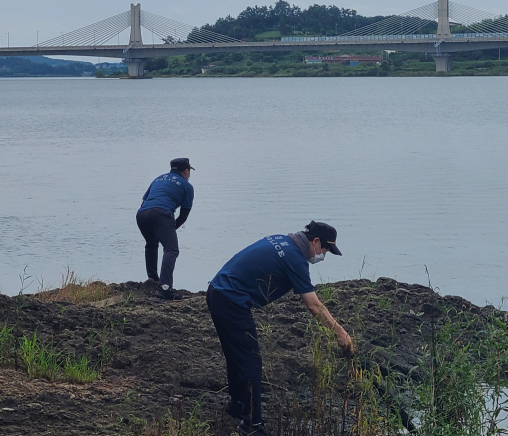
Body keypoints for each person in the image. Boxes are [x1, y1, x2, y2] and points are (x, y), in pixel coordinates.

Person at [207, 221, 353, 436]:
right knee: (251, 361)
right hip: (231, 301)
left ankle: (237, 404)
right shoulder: (295, 258)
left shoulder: (282, 240)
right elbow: (313, 305)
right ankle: (252, 426)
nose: (324, 255)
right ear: (315, 241)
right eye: (325, 250)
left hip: (217, 291)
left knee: (236, 355)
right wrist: (340, 332)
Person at [136, 158, 195, 300]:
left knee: (151, 244)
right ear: (186, 171)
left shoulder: (158, 179)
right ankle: (165, 288)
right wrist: (170, 229)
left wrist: (166, 229)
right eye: (189, 170)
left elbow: (145, 201)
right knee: (171, 249)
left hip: (142, 214)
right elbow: (183, 215)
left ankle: (153, 280)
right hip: (162, 214)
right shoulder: (187, 186)